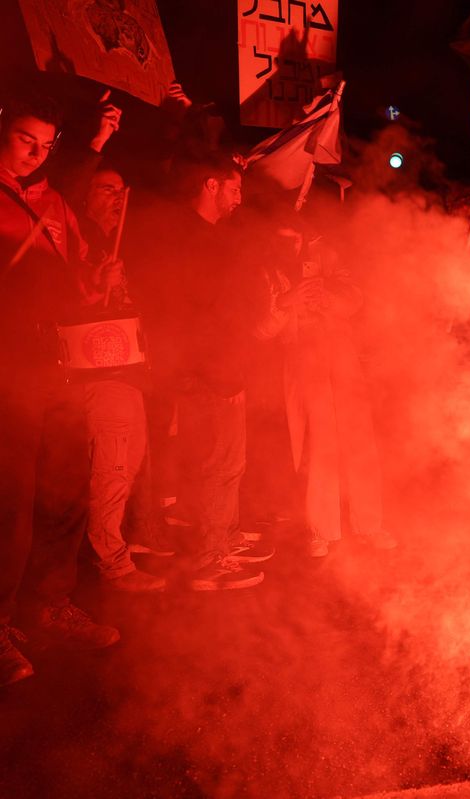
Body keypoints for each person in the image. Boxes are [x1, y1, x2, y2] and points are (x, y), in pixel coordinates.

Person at [0, 92, 120, 687]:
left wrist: (92, 285)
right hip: (7, 366)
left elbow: (75, 278)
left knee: (66, 488)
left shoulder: (54, 203)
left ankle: (49, 602)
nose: (35, 154)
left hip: (58, 363)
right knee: (9, 501)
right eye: (26, 140)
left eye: (45, 146)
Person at [129, 153, 274, 590]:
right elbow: (197, 318)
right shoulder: (186, 238)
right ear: (210, 185)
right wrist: (220, 370)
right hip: (207, 371)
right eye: (234, 188)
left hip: (224, 367)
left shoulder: (215, 236)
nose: (239, 198)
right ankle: (209, 562)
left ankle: (223, 541)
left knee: (230, 464)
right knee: (215, 465)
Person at [256, 228, 395, 557]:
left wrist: (327, 296)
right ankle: (321, 530)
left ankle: (370, 525)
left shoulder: (328, 255)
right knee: (318, 446)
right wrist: (286, 303)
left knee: (360, 440)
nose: (290, 238)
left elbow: (355, 299)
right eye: (282, 231)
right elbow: (261, 329)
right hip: (302, 362)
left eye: (295, 232)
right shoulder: (266, 267)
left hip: (342, 357)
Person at [76, 165, 169, 591]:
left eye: (121, 190)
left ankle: (119, 550)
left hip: (127, 371)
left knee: (128, 465)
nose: (118, 198)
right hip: (99, 372)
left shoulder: (108, 243)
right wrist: (95, 285)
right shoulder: (78, 240)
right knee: (111, 467)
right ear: (85, 193)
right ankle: (110, 565)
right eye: (108, 189)